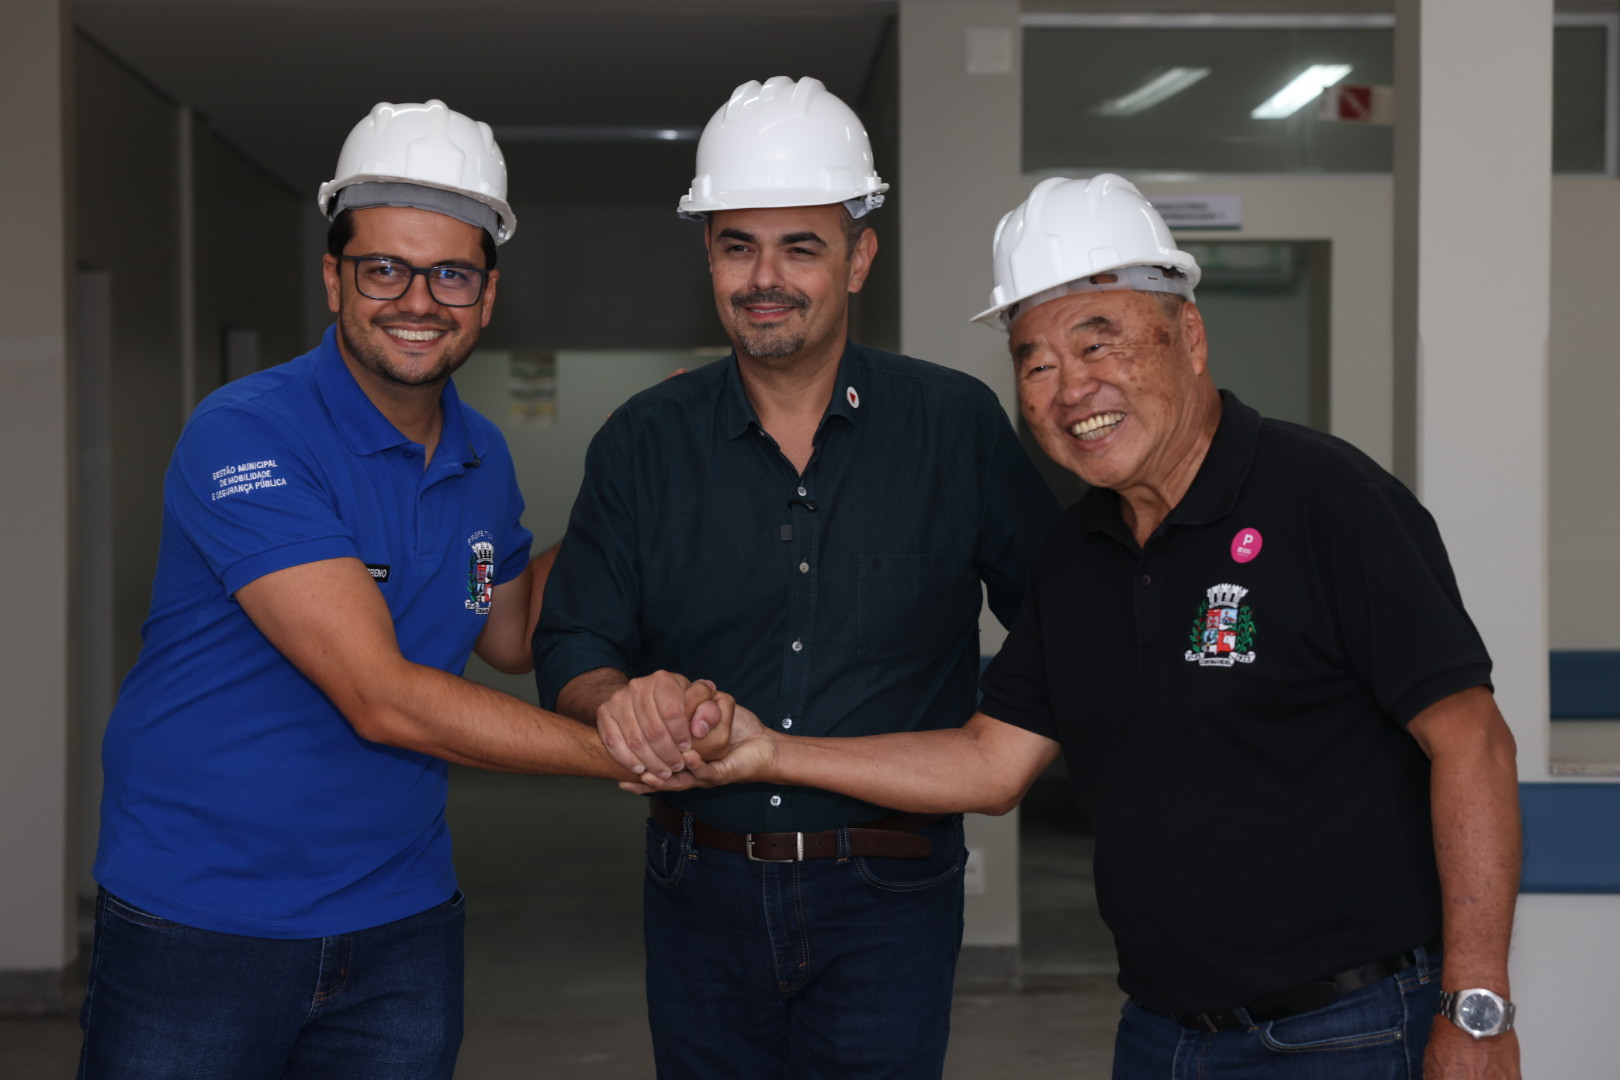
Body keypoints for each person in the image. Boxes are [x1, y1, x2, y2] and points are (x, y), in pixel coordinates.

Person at [636, 174, 1524, 1080]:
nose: (1072, 390)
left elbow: (1474, 743)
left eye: (1101, 345)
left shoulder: (1328, 502)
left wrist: (1478, 1008)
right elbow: (990, 762)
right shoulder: (1078, 554)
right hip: (1162, 1033)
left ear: (1190, 338)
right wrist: (771, 752)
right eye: (1037, 364)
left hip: (1349, 1028)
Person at [80, 100, 700, 1080]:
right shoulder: (248, 434)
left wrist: (638, 476)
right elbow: (381, 697)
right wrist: (627, 753)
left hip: (401, 923)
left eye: (451, 273)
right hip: (202, 921)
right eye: (384, 268)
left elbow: (509, 631)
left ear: (487, 296)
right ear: (335, 278)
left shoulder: (480, 455)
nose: (419, 299)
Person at [532, 75, 1060, 1079]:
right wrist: (616, 699)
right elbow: (573, 639)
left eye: (800, 247)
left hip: (893, 890)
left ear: (859, 258)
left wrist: (988, 746)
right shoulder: (644, 441)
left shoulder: (953, 427)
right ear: (708, 255)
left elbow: (1059, 611)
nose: (764, 277)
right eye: (738, 246)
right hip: (696, 884)